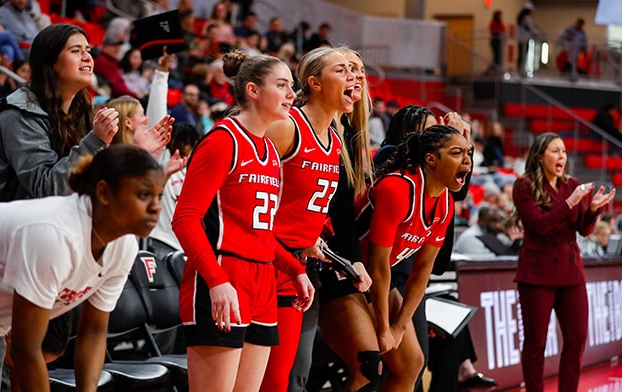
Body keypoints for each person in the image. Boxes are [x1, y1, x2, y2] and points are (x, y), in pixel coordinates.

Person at [171, 50, 314, 392]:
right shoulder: (224, 140)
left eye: (291, 86)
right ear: (252, 90)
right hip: (223, 274)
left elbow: (259, 234)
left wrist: (294, 269)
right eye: (282, 85)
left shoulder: (269, 152)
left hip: (263, 280)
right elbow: (185, 218)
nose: (291, 94)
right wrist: (216, 280)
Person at [0, 144, 165, 391]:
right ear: (104, 193)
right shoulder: (53, 235)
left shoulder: (124, 246)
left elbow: (94, 332)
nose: (156, 207)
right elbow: (25, 348)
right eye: (143, 195)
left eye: (159, 196)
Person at [320, 124, 472, 392]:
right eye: (457, 153)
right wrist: (383, 330)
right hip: (341, 273)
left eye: (469, 153)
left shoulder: (445, 203)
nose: (467, 160)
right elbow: (378, 267)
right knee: (369, 365)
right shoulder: (398, 188)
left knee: (411, 363)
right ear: (431, 159)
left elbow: (422, 271)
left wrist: (400, 327)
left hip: (374, 281)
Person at [259, 46, 369, 392]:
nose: (353, 76)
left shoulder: (335, 141)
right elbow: (244, 193)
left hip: (299, 268)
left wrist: (319, 245)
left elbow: (306, 211)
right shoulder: (285, 128)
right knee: (260, 379)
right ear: (315, 83)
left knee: (290, 377)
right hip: (261, 262)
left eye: (355, 71)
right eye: (342, 70)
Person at [512, 132, 616, 392]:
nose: (562, 156)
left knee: (577, 337)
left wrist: (592, 209)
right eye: (555, 151)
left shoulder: (572, 184)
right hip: (537, 274)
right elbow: (538, 226)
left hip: (571, 273)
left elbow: (584, 230)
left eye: (564, 151)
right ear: (540, 157)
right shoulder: (524, 186)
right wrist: (571, 203)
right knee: (535, 344)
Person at [0, 23, 119, 202]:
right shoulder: (19, 114)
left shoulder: (80, 107)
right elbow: (46, 188)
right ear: (50, 62)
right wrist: (95, 142)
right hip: (11, 222)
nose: (87, 58)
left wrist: (143, 152)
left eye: (88, 50)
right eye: (76, 51)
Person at [147, 122, 201, 260]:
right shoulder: (160, 163)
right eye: (178, 147)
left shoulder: (197, 171)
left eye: (186, 149)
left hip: (188, 243)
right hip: (163, 241)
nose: (181, 154)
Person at [515, 2, 538, 76]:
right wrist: (538, 33)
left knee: (521, 55)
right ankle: (520, 70)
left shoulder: (521, 17)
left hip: (521, 39)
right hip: (525, 39)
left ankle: (519, 69)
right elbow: (531, 29)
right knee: (523, 55)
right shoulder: (527, 18)